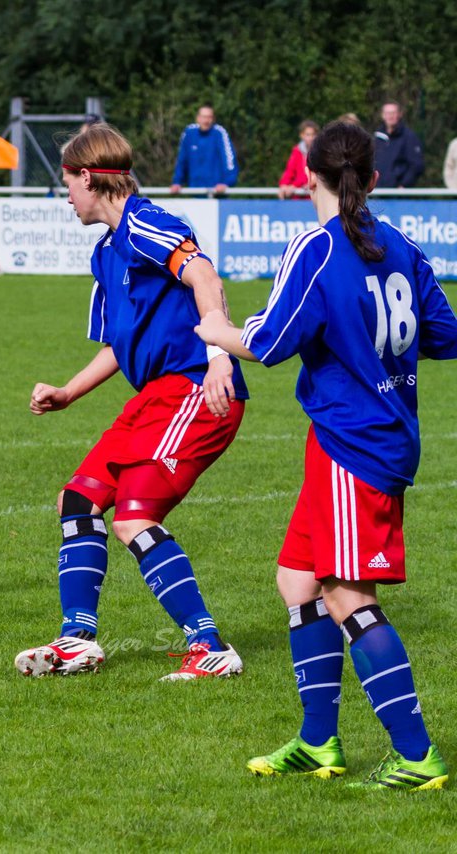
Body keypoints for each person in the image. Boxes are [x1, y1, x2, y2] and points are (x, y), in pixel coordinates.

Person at [196, 121, 455, 789]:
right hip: (366, 436)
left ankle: (417, 754)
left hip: (354, 443)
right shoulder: (401, 245)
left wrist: (218, 332)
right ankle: (318, 742)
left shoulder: (315, 245)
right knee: (297, 579)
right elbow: (442, 334)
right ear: (372, 180)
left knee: (345, 592)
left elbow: (274, 340)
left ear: (307, 177)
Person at [14, 122, 249, 682]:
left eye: (67, 184)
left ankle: (210, 647)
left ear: (90, 179)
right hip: (156, 396)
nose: (65, 196)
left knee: (135, 518)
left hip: (196, 388)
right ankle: (77, 641)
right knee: (78, 501)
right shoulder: (106, 255)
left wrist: (220, 355)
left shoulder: (147, 223)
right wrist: (69, 390)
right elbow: (120, 345)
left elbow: (205, 276)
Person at [170, 104, 238, 195]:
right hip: (194, 192)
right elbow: (182, 160)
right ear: (198, 118)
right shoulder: (189, 133)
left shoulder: (219, 133)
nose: (206, 120)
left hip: (217, 193)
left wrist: (227, 182)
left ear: (213, 119)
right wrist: (177, 182)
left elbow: (229, 161)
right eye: (203, 117)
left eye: (209, 117)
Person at [373, 101, 423, 188]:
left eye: (393, 113)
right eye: (387, 113)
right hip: (377, 192)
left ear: (400, 114)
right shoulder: (377, 137)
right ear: (383, 115)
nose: (390, 116)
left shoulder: (409, 137)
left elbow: (416, 165)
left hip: (398, 195)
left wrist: (404, 184)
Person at [279, 120, 319, 199]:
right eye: (308, 135)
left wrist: (294, 186)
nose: (311, 138)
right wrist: (283, 185)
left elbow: (319, 174)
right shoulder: (297, 151)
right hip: (299, 198)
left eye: (313, 135)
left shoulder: (320, 152)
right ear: (302, 135)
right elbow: (289, 171)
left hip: (315, 197)